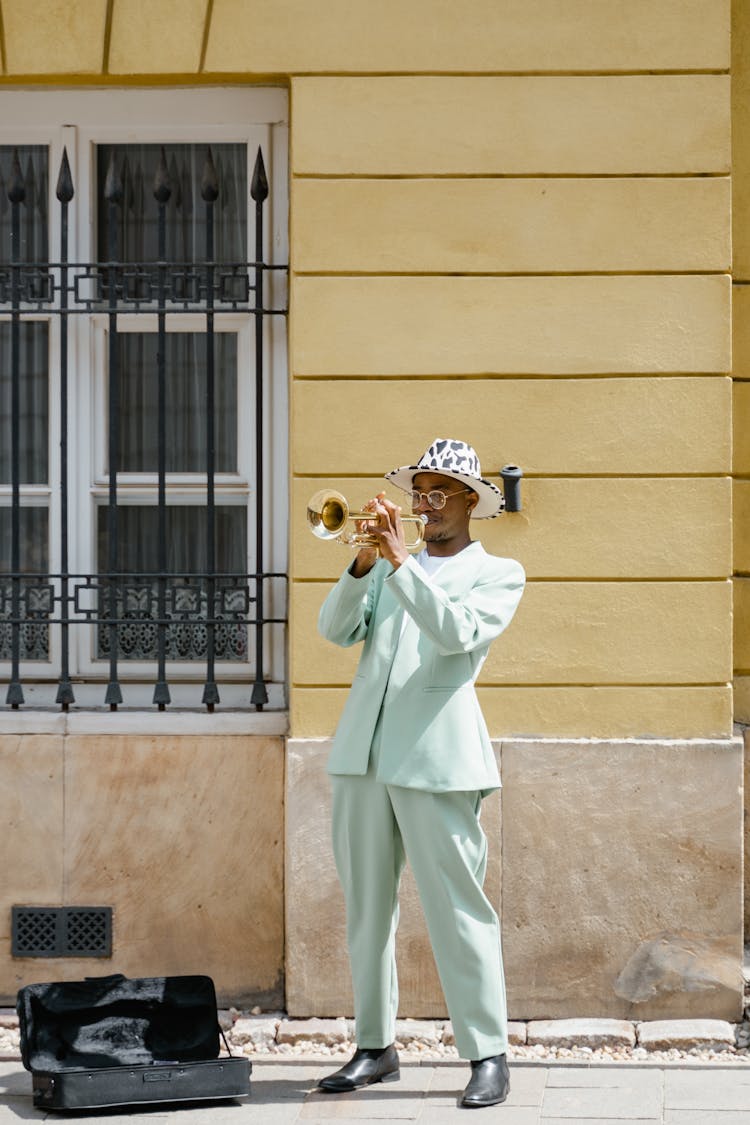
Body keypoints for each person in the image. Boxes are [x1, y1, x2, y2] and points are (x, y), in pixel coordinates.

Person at [315, 438, 526, 1109]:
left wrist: (402, 562)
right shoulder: (384, 567)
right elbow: (333, 629)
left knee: (459, 910)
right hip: (363, 757)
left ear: (471, 501)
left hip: (438, 760)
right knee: (366, 913)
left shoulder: (500, 572)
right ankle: (374, 1046)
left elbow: (456, 634)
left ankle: (487, 1053)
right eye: (419, 492)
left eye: (439, 493)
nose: (425, 505)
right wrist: (364, 562)